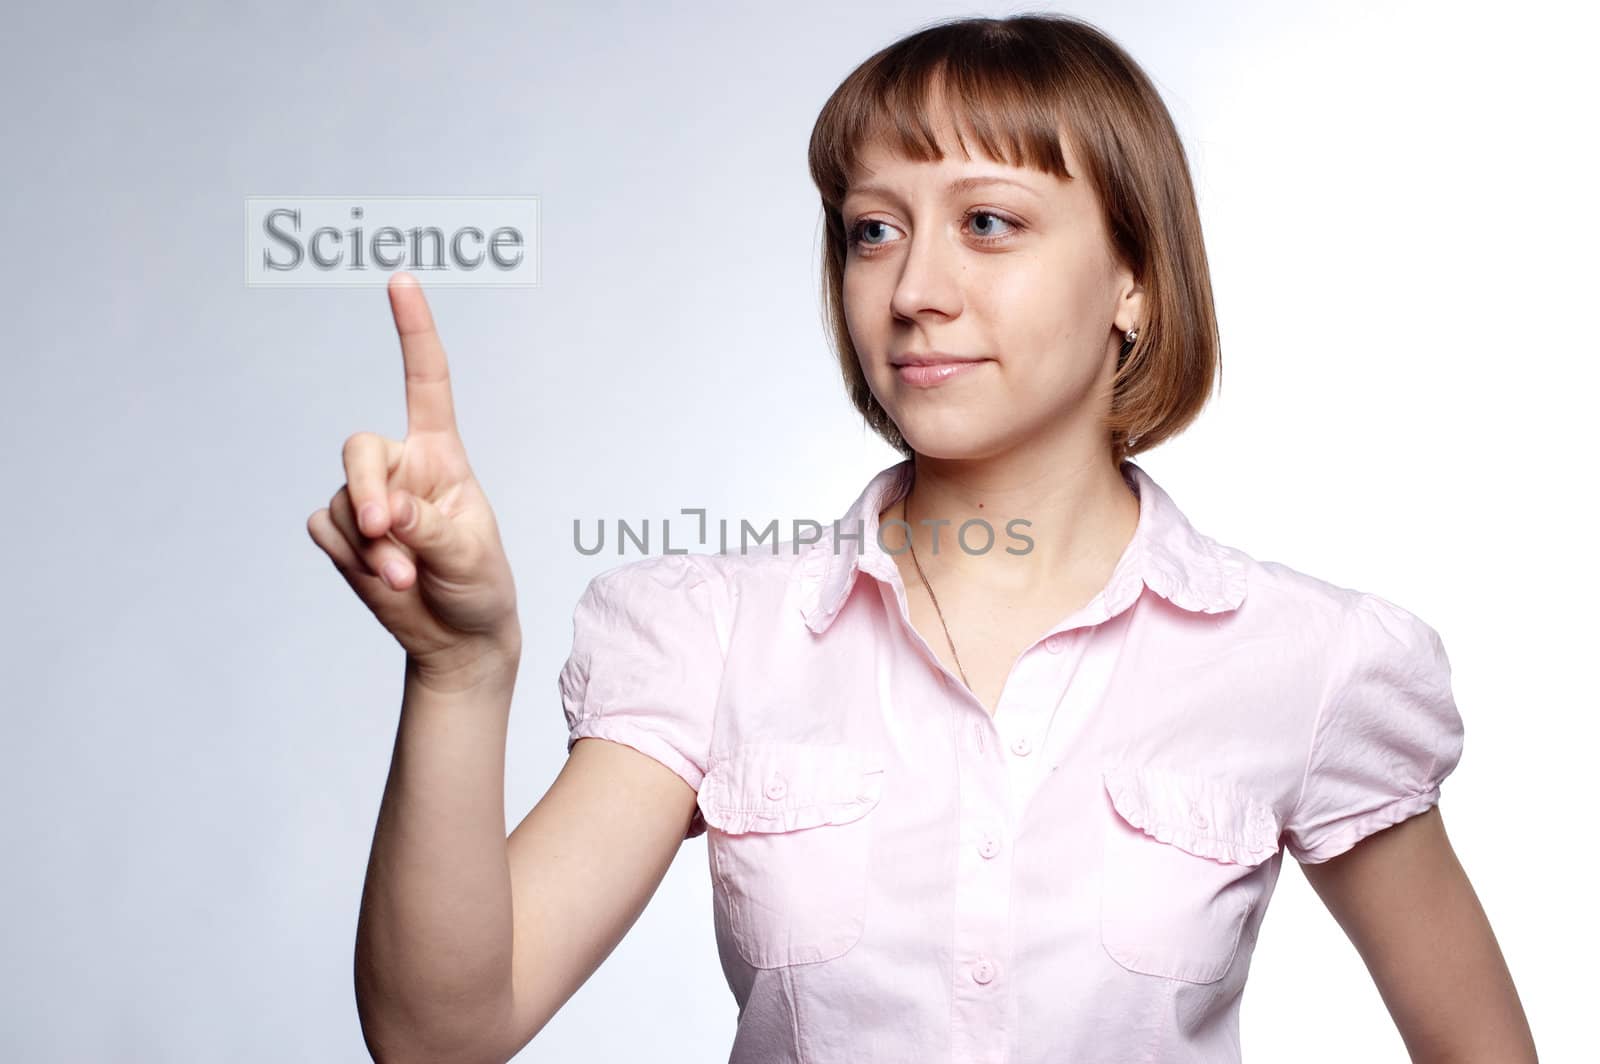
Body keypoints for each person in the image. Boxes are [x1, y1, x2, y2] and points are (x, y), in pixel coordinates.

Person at [316, 12, 1538, 1064]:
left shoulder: (1308, 658)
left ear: (1135, 282)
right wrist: (459, 669)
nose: (911, 290)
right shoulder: (713, 630)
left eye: (990, 223)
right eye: (873, 228)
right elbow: (440, 1034)